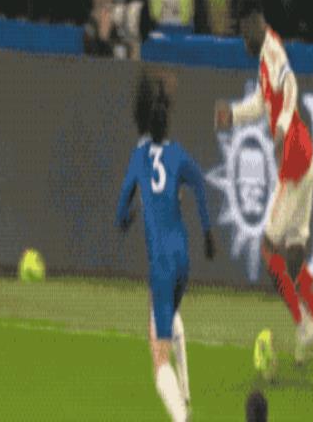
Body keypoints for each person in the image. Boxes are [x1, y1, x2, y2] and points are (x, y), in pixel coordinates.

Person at [214, 0, 313, 385]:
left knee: (269, 250)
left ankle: (306, 326)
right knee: (293, 257)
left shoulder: (272, 50)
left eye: (243, 29)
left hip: (295, 163)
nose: (242, 37)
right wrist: (234, 115)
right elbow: (262, 101)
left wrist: (284, 126)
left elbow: (290, 88)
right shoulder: (264, 56)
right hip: (303, 158)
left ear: (255, 22)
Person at [116, 70, 215, 421]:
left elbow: (120, 212)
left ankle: (181, 416)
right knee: (168, 316)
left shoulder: (138, 158)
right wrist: (208, 233)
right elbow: (200, 184)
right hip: (182, 257)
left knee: (158, 355)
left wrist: (130, 216)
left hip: (161, 263)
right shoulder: (176, 155)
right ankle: (185, 394)